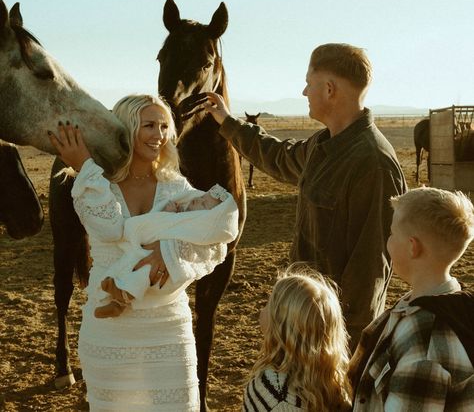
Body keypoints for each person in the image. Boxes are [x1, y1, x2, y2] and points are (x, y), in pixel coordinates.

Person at [205, 43, 407, 349]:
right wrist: (228, 122)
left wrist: (336, 346)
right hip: (301, 320)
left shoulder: (373, 163)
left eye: (308, 83)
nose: (303, 92)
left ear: (329, 89)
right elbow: (278, 156)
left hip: (330, 335)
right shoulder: (323, 145)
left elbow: (370, 269)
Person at [48, 94, 236, 411]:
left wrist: (170, 252)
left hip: (167, 328)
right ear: (127, 128)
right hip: (110, 332)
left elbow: (215, 240)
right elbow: (108, 227)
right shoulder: (94, 182)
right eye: (149, 125)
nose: (159, 135)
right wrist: (83, 167)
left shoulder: (176, 187)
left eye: (164, 127)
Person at [349, 187, 474, 410]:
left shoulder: (426, 346)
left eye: (392, 233)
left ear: (412, 246)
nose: (388, 240)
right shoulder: (423, 303)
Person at [95, 185, 238, 318]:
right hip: (144, 253)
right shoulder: (183, 209)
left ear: (208, 219)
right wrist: (167, 214)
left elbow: (201, 245)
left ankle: (124, 295)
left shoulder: (200, 228)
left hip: (167, 275)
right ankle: (117, 297)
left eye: (203, 204)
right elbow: (165, 223)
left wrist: (167, 248)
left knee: (144, 268)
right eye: (201, 197)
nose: (197, 200)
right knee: (136, 260)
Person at [243, 267, 352, 411]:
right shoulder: (337, 383)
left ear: (281, 325)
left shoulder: (269, 389)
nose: (261, 310)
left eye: (268, 304)